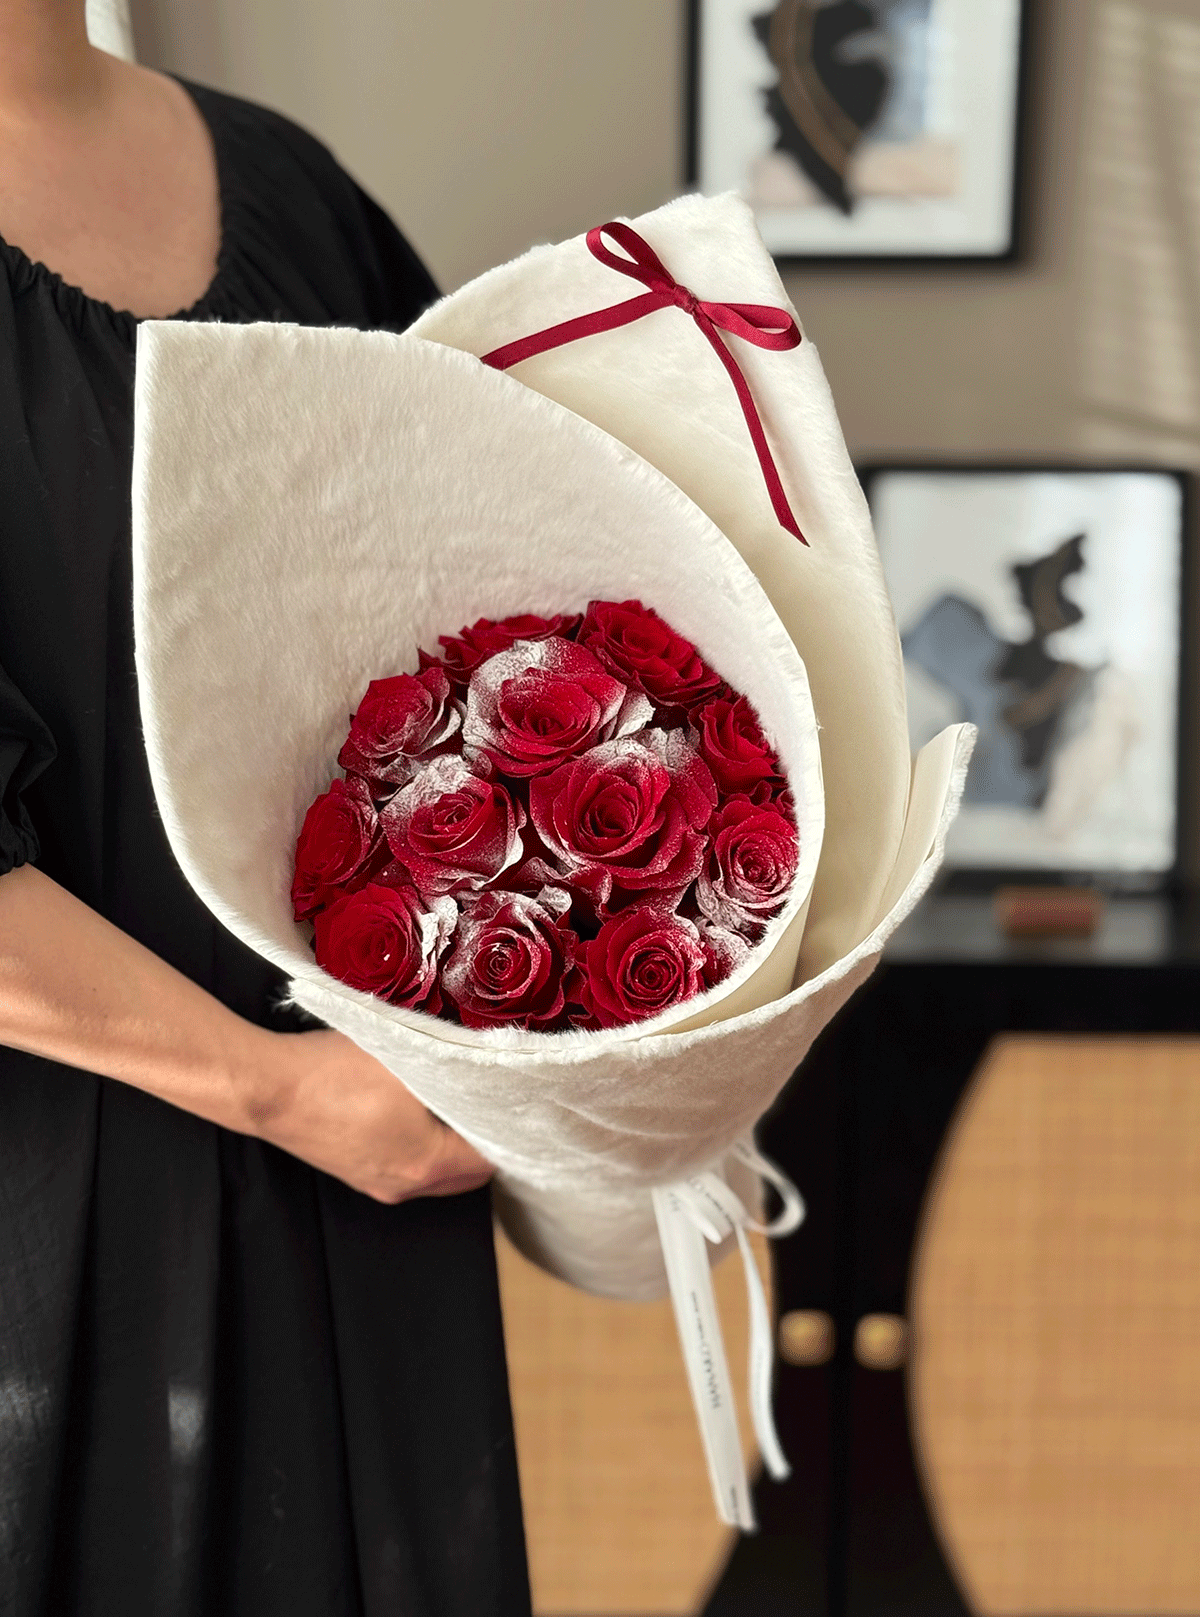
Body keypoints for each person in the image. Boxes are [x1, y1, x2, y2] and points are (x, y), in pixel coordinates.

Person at [0, 7, 531, 1613]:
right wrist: (275, 1091)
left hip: (362, 1181)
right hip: (55, 1201)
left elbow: (496, 618)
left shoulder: (293, 188)